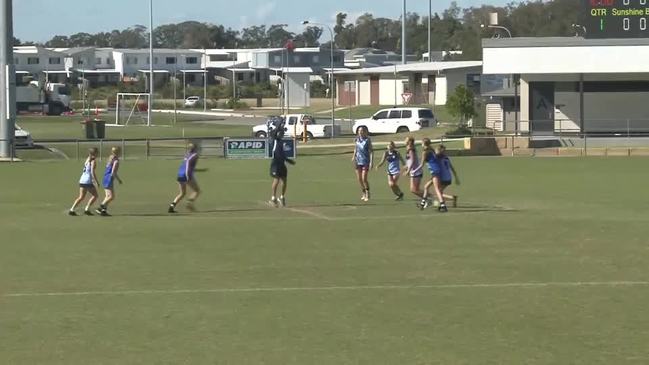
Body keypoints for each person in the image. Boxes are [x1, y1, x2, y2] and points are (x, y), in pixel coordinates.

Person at [268, 119, 296, 207]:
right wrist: (278, 125)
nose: (282, 133)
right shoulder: (274, 137)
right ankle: (273, 198)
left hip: (282, 163)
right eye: (280, 132)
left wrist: (288, 161)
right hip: (276, 162)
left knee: (284, 180)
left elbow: (282, 155)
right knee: (276, 179)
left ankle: (282, 197)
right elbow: (274, 133)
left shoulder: (280, 140)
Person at [416, 138, 447, 212]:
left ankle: (443, 206)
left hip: (435, 171)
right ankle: (422, 204)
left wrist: (413, 170)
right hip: (436, 170)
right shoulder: (431, 149)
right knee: (426, 187)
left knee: (437, 189)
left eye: (422, 143)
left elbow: (421, 164)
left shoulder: (425, 152)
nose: (421, 144)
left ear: (424, 143)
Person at [168, 143, 200, 213]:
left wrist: (199, 170)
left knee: (182, 193)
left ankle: (171, 207)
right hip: (187, 175)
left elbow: (187, 166)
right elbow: (191, 168)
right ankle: (189, 203)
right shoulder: (195, 155)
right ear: (195, 149)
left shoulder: (186, 155)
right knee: (197, 190)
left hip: (180, 174)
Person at [69, 148, 99, 216]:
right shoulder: (93, 161)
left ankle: (72, 209)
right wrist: (96, 181)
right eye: (97, 153)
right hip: (88, 181)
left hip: (82, 180)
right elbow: (92, 172)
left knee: (81, 197)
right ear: (95, 154)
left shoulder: (88, 159)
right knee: (95, 196)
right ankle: (87, 209)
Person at [96, 147, 123, 216]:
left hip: (105, 177)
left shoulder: (110, 158)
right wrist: (117, 180)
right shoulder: (116, 161)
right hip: (109, 178)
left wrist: (117, 179)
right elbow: (113, 172)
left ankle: (103, 211)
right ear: (118, 152)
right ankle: (100, 207)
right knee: (111, 197)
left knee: (107, 196)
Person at [351, 126, 374, 202]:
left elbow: (371, 151)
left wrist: (371, 162)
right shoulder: (357, 140)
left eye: (362, 130)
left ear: (365, 132)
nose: (360, 132)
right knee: (359, 179)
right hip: (358, 161)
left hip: (365, 162)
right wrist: (353, 156)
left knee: (364, 178)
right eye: (359, 130)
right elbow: (356, 148)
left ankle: (367, 193)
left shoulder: (367, 140)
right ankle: (363, 192)